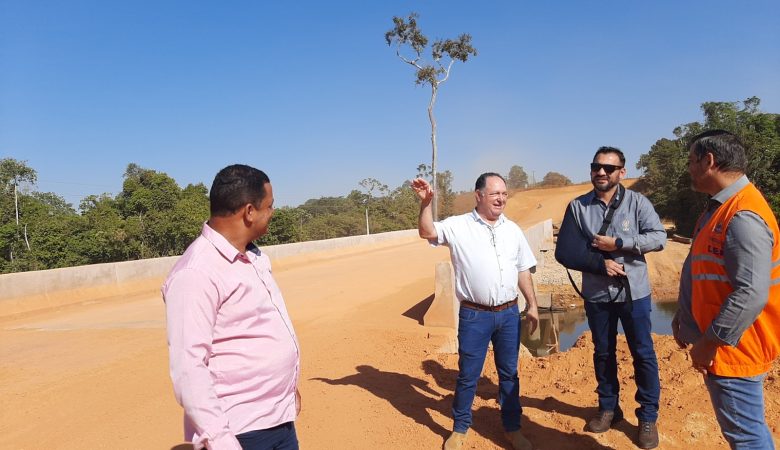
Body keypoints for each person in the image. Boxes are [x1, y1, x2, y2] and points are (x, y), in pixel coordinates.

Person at [162, 164, 301, 450]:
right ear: (249, 211)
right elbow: (188, 368)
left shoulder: (253, 256)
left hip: (279, 419)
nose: (272, 212)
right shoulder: (196, 273)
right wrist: (222, 441)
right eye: (269, 206)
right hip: (240, 432)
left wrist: (285, 388)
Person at [412, 173, 539, 450]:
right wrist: (426, 204)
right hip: (474, 315)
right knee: (468, 374)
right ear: (479, 195)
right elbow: (427, 232)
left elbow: (522, 270)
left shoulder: (513, 230)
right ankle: (459, 429)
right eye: (495, 194)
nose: (501, 199)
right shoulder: (458, 226)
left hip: (509, 314)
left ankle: (512, 428)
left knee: (509, 373)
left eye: (504, 194)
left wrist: (532, 305)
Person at [671, 130, 780, 449]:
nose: (689, 168)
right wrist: (685, 313)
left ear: (709, 161)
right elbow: (704, 269)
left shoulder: (743, 216)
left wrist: (709, 343)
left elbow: (751, 293)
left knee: (745, 435)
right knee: (745, 429)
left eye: (692, 161)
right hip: (727, 344)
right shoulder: (718, 207)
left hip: (734, 348)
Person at [557, 147, 665, 449]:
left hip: (635, 293)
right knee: (603, 352)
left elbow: (659, 238)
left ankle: (647, 416)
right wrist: (599, 263)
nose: (600, 172)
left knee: (643, 353)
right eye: (595, 166)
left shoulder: (637, 203)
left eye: (608, 167)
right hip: (597, 295)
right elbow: (565, 251)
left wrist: (620, 242)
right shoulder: (577, 207)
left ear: (621, 173)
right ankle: (608, 408)